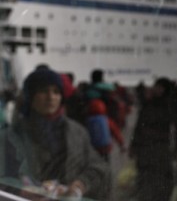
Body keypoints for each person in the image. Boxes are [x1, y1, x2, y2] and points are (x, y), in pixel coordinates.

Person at [0, 66, 110, 199]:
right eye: (43, 91)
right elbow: (4, 178)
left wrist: (79, 185)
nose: (50, 97)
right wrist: (22, 191)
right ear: (30, 96)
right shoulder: (11, 136)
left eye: (56, 92)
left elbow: (98, 166)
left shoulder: (77, 133)